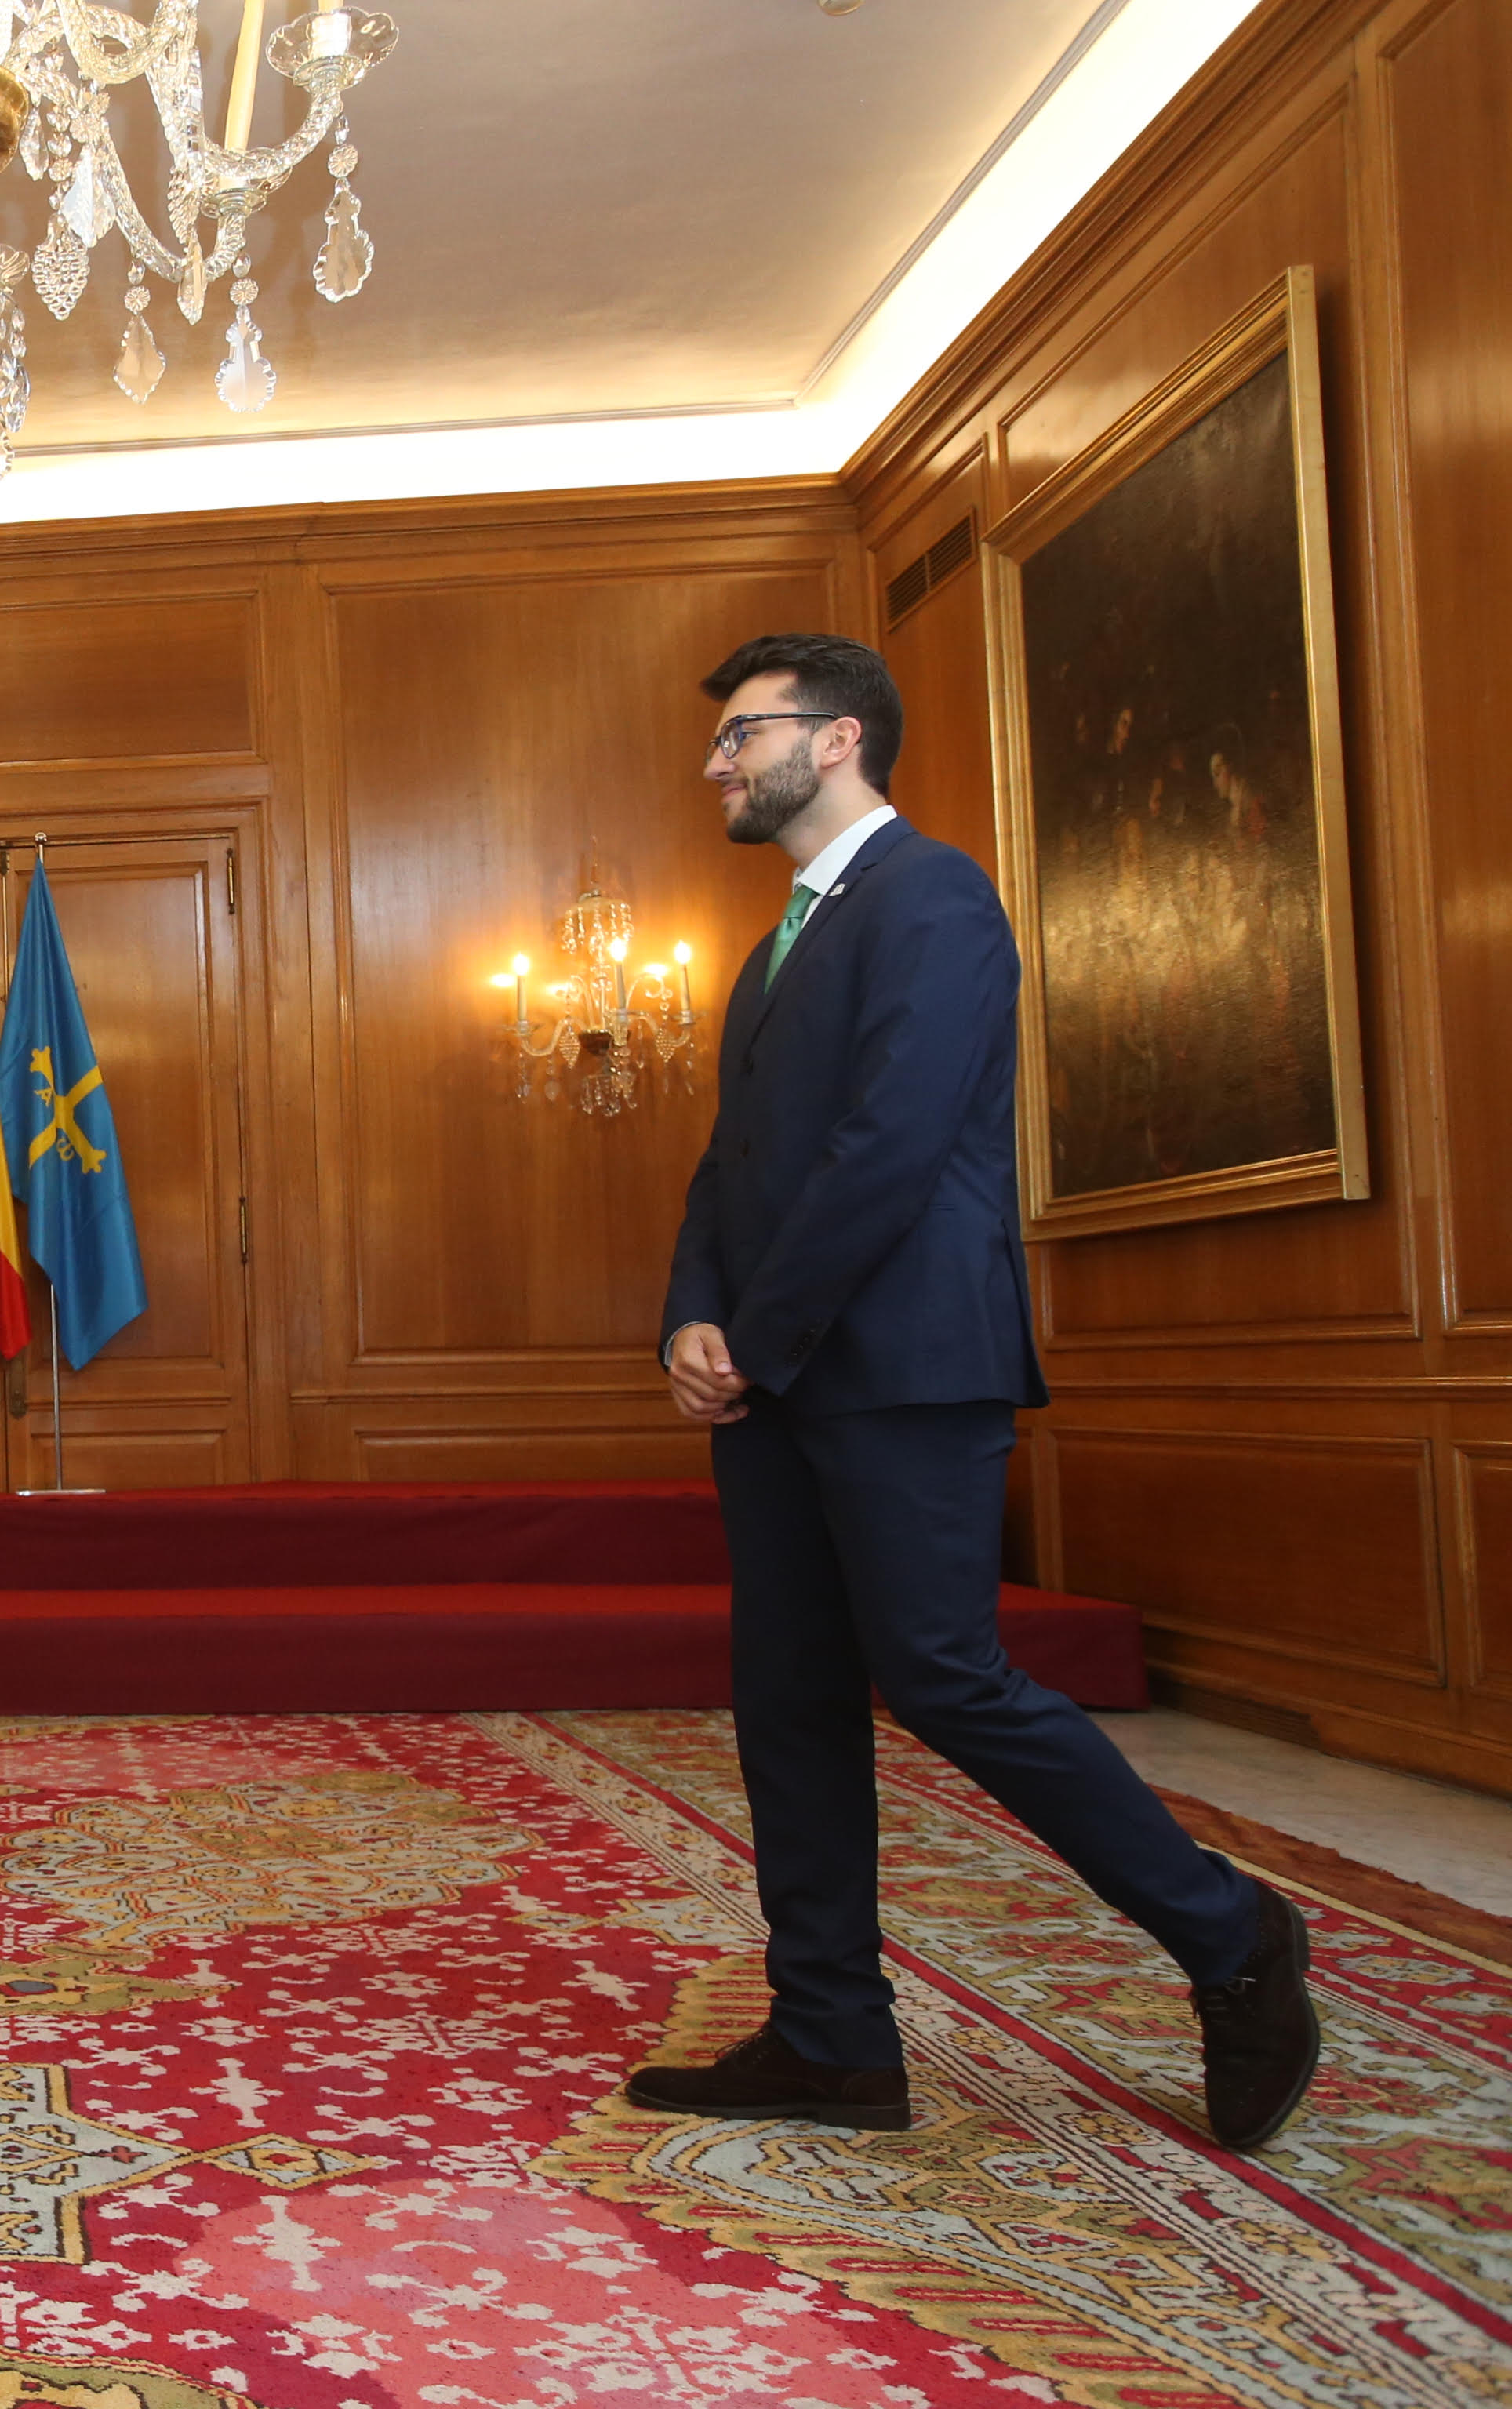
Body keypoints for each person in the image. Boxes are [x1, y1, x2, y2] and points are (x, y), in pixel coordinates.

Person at [638, 632, 1320, 2149]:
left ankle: (1229, 1936)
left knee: (945, 1673)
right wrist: (692, 1312)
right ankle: (829, 2035)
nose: (718, 765)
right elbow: (729, 1164)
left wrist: (758, 1328)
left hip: (899, 1365)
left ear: (834, 740)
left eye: (738, 737)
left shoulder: (931, 895)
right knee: (788, 1699)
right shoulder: (772, 945)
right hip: (772, 1372)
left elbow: (886, 1146)